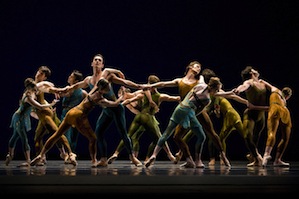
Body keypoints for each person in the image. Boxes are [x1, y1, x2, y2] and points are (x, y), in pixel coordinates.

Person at [62, 53, 145, 167]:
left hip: (116, 108)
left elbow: (125, 82)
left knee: (123, 133)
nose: (97, 61)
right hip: (106, 109)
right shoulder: (88, 80)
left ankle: (132, 157)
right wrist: (64, 89)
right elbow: (76, 86)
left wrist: (139, 86)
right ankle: (103, 159)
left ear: (102, 65)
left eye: (99, 60)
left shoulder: (107, 77)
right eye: (95, 60)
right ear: (92, 63)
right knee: (98, 133)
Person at [147, 62, 230, 167]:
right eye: (197, 66)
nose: (199, 68)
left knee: (210, 132)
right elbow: (163, 84)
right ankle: (189, 159)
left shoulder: (199, 80)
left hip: (196, 110)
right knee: (177, 136)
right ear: (190, 67)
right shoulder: (180, 81)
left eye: (200, 67)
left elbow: (215, 90)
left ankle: (222, 155)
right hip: (186, 110)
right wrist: (150, 85)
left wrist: (230, 93)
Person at [30, 78, 124, 167]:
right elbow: (114, 104)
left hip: (71, 112)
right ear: (103, 89)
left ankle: (41, 155)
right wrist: (122, 97)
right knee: (93, 139)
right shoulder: (100, 99)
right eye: (108, 87)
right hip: (79, 115)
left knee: (57, 135)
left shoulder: (92, 92)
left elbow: (91, 85)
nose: (109, 88)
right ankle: (94, 161)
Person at [107, 75, 180, 164]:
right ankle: (150, 158)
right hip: (148, 117)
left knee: (128, 135)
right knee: (158, 138)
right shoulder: (160, 96)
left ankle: (116, 153)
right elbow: (173, 98)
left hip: (139, 116)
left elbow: (131, 98)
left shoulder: (142, 94)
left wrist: (118, 104)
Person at [5, 78, 59, 167]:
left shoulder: (31, 93)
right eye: (34, 88)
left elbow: (44, 83)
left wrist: (54, 89)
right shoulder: (28, 97)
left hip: (21, 117)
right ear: (30, 88)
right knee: (23, 138)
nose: (36, 90)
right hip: (19, 119)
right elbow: (40, 107)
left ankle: (10, 155)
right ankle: (28, 160)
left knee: (15, 136)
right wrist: (52, 104)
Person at [33, 66, 75, 165]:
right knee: (37, 138)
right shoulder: (34, 85)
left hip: (46, 114)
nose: (39, 74)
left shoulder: (40, 85)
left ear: (44, 77)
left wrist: (58, 90)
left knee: (57, 133)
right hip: (43, 114)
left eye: (42, 74)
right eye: (39, 72)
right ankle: (42, 158)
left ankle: (69, 153)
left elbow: (50, 88)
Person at [232, 66, 270, 167]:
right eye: (254, 69)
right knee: (247, 136)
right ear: (251, 72)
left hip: (261, 114)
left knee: (256, 137)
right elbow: (243, 86)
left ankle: (253, 157)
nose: (256, 70)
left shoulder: (262, 83)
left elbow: (273, 89)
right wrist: (239, 90)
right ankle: (257, 157)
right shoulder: (249, 82)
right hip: (251, 114)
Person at [260, 80, 292, 167]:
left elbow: (265, 83)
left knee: (271, 133)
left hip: (274, 109)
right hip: (285, 111)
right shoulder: (284, 101)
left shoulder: (276, 91)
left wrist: (259, 81)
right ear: (288, 96)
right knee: (285, 137)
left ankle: (266, 154)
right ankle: (277, 160)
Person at [59, 70, 88, 152]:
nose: (69, 77)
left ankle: (69, 154)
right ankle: (71, 154)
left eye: (71, 77)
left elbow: (63, 94)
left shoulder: (70, 89)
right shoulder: (83, 92)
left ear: (76, 81)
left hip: (68, 114)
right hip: (76, 115)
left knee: (67, 135)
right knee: (73, 136)